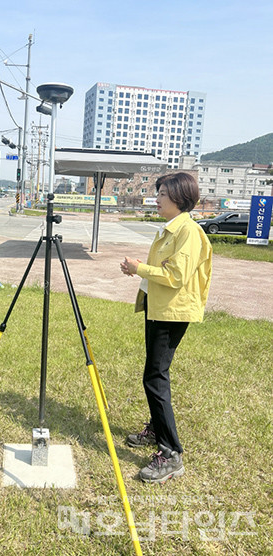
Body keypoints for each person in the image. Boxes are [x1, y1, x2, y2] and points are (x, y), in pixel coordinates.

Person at [120, 172, 212, 484]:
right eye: (158, 193)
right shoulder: (171, 229)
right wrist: (138, 271)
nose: (156, 199)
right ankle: (157, 429)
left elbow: (175, 276)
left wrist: (138, 268)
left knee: (155, 377)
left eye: (162, 194)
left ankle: (170, 452)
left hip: (172, 312)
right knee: (155, 374)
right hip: (159, 308)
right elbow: (163, 272)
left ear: (179, 198)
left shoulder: (188, 231)